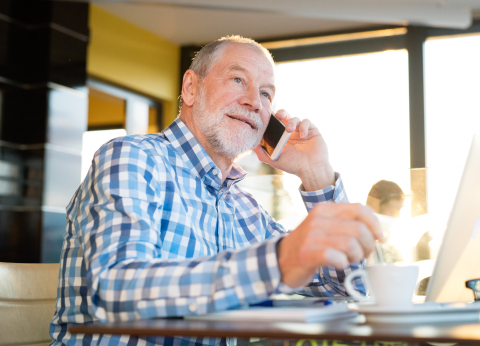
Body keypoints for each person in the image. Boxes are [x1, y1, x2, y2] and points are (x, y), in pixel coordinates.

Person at [49, 36, 384, 346]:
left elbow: (345, 286)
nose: (254, 101)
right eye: (238, 80)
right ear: (191, 88)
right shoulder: (132, 157)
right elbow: (116, 289)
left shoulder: (244, 208)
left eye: (266, 94)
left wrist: (316, 173)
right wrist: (280, 259)